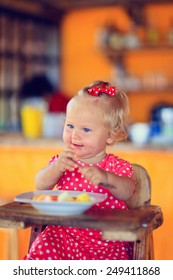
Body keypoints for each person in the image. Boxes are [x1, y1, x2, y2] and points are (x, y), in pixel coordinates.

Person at [24, 80, 135, 260]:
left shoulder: (115, 166)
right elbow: (40, 184)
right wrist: (57, 167)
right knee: (44, 244)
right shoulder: (63, 162)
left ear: (110, 135)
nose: (75, 135)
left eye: (86, 129)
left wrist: (107, 178)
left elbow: (128, 191)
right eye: (70, 126)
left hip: (105, 238)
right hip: (64, 233)